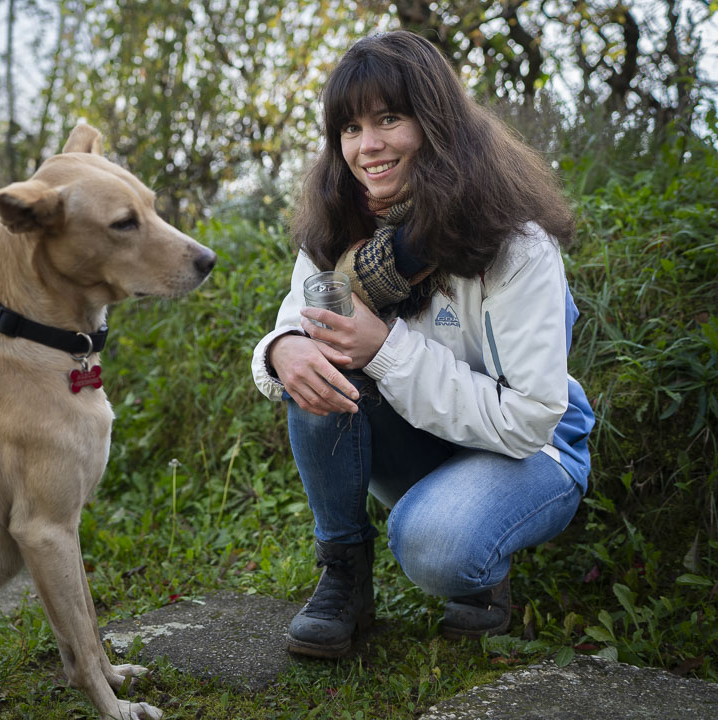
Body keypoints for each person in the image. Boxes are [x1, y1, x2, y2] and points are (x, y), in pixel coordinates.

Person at [251, 30, 595, 658]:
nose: (367, 146)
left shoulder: (516, 245)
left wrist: (384, 348)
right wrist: (282, 350)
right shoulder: (340, 232)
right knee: (319, 373)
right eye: (350, 128)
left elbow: (529, 419)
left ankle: (482, 562)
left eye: (389, 119)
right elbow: (298, 323)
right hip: (422, 437)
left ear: (436, 124)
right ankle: (344, 577)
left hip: (534, 451)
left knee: (435, 545)